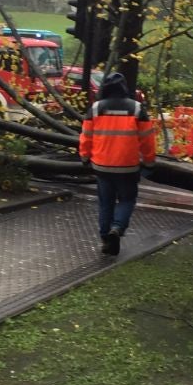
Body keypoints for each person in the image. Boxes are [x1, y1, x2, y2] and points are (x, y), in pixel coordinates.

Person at [80, 72, 156, 256]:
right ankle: (117, 228)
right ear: (124, 88)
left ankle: (106, 239)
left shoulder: (96, 108)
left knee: (105, 203)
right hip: (128, 166)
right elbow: (147, 140)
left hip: (102, 165)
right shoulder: (137, 109)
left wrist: (84, 157)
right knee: (127, 200)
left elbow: (86, 137)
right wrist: (149, 162)